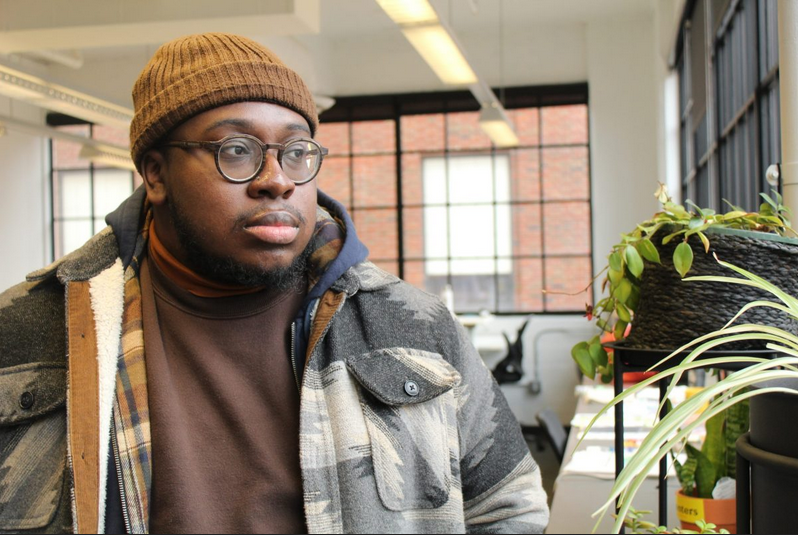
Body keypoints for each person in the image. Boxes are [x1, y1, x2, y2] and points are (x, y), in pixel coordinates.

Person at [0, 33, 549, 534]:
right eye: (235, 150)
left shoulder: (412, 324)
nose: (277, 180)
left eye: (296, 152)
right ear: (156, 173)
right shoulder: (28, 328)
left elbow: (508, 506)